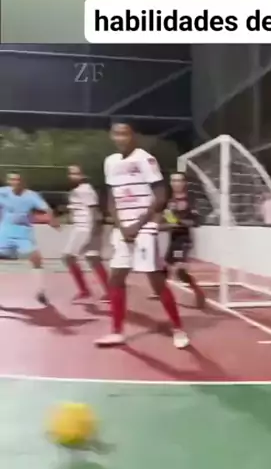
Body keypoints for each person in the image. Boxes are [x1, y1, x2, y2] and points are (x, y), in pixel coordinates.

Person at [95, 122, 189, 349]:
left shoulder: (145, 159)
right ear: (112, 136)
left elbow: (160, 196)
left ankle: (178, 329)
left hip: (144, 227)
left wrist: (137, 225)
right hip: (123, 229)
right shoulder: (110, 162)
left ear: (133, 135)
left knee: (155, 281)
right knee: (116, 278)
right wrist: (120, 226)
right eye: (117, 134)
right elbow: (111, 198)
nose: (121, 138)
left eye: (125, 133)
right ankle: (117, 332)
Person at [0, 171, 59, 304]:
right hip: (5, 232)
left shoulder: (31, 195)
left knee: (36, 258)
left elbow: (46, 208)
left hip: (23, 232)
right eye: (12, 180)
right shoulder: (3, 192)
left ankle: (40, 291)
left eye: (18, 180)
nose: (15, 182)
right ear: (8, 182)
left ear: (23, 182)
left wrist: (52, 219)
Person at [63, 164, 109, 300]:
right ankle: (107, 290)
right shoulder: (76, 191)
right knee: (92, 259)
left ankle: (85, 290)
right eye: (70, 173)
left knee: (68, 257)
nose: (72, 176)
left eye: (76, 173)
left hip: (85, 228)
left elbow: (94, 211)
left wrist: (94, 230)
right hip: (81, 227)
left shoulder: (85, 190)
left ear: (83, 175)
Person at [163, 172, 205, 308]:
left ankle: (198, 293)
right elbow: (166, 220)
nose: (176, 183)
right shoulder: (169, 201)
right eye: (173, 180)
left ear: (184, 183)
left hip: (183, 240)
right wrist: (163, 225)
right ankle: (160, 290)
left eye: (179, 180)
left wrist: (179, 223)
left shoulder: (190, 201)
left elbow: (197, 222)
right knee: (164, 267)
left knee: (179, 271)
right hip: (173, 239)